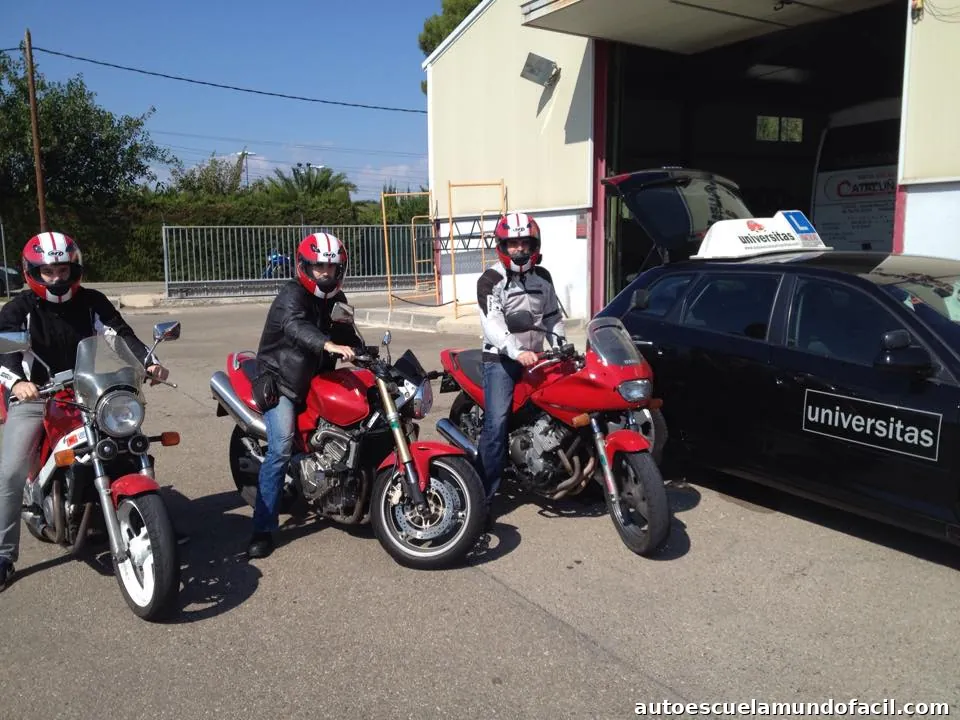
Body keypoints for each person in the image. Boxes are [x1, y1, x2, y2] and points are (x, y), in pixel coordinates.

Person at [0, 231, 170, 592]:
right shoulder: (18, 310)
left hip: (85, 391)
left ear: (74, 268)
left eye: (63, 270)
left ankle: (156, 527)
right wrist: (17, 384)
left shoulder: (92, 301)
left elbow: (119, 334)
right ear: (33, 272)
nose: (57, 278)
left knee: (128, 440)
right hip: (37, 396)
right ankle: (4, 555)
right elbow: (5, 353)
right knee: (10, 471)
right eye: (48, 272)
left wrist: (148, 363)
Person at [246, 232, 362, 560]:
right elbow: (296, 327)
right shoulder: (291, 295)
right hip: (282, 380)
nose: (326, 273)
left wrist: (363, 352)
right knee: (280, 448)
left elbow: (346, 331)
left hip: (315, 376)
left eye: (332, 267)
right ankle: (262, 528)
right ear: (304, 267)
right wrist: (327, 344)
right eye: (319, 266)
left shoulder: (337, 298)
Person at [475, 212, 566, 527]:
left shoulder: (544, 277)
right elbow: (493, 323)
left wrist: (561, 344)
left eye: (524, 243)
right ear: (502, 246)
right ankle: (482, 499)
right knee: (496, 424)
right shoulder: (490, 279)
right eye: (512, 244)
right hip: (501, 360)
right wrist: (516, 351)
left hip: (537, 356)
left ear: (534, 245)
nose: (519, 250)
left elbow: (552, 316)